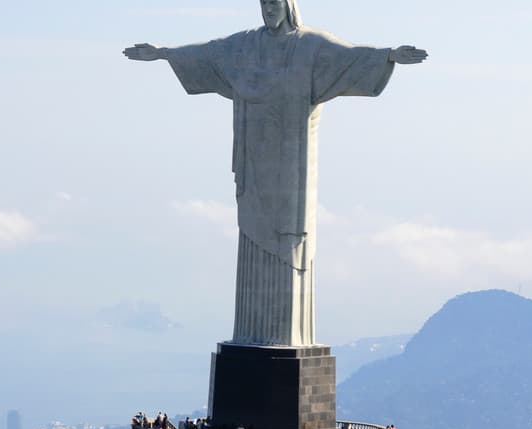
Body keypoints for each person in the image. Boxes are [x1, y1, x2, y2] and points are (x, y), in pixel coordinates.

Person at [124, 0, 426, 346]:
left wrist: (388, 56)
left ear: (288, 5)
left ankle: (288, 334)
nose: (268, 9)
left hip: (291, 166)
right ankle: (250, 334)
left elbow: (350, 57)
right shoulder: (245, 46)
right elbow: (208, 54)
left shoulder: (310, 45)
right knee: (253, 230)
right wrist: (164, 53)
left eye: (274, 3)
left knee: (288, 237)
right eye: (264, 3)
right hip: (254, 162)